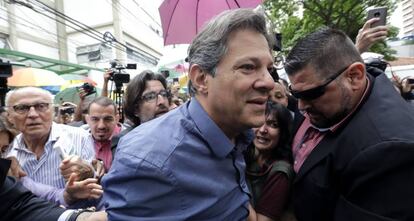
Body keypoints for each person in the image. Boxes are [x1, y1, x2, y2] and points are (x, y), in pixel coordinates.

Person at [102, 8, 274, 220]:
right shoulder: (149, 160)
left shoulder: (239, 133)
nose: (269, 82)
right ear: (201, 79)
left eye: (269, 69)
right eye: (248, 67)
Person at [284, 28, 414, 221]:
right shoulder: (336, 95)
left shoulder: (389, 151)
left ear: (355, 76)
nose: (301, 106)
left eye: (311, 94)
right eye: (295, 94)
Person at [5, 87, 99, 206]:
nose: (33, 114)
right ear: (9, 116)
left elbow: (94, 188)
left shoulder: (79, 137)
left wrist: (88, 173)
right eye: (22, 108)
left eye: (41, 106)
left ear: (53, 111)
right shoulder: (8, 151)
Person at [245, 101, 294, 221]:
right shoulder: (244, 156)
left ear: (283, 133)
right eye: (259, 122)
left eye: (273, 125)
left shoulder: (280, 172)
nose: (262, 130)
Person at [110, 70, 170, 148]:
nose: (161, 101)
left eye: (164, 94)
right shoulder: (124, 143)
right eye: (150, 97)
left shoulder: (181, 134)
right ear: (136, 109)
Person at [85, 96, 122, 172]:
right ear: (87, 119)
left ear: (117, 119)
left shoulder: (129, 140)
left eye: (108, 119)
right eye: (95, 119)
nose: (101, 126)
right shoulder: (78, 140)